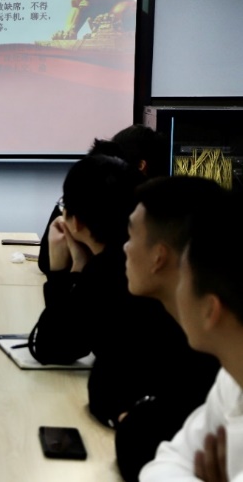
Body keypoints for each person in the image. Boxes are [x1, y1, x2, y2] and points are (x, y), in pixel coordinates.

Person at [28, 154, 193, 433]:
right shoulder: (117, 264)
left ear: (76, 221)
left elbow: (52, 346)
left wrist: (63, 274)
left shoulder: (113, 269)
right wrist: (80, 268)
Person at [117, 176, 222, 481]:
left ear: (160, 257)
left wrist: (137, 416)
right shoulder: (154, 312)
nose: (124, 248)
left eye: (130, 236)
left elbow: (140, 447)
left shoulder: (220, 362)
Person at [140, 189, 243, 481]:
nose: (177, 290)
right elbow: (163, 465)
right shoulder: (232, 379)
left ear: (210, 310)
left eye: (182, 278)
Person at [38, 124, 169, 275]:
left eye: (117, 158)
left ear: (141, 166)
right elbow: (46, 262)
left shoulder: (131, 215)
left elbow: (49, 263)